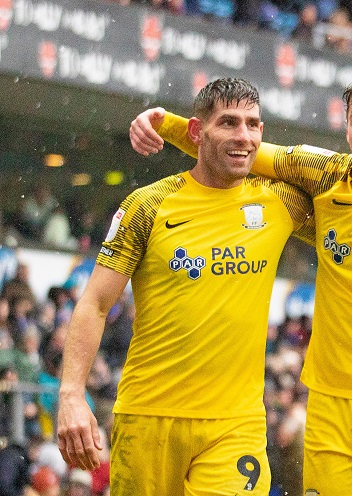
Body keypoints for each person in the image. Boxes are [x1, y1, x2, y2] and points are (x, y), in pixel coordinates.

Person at [129, 72, 352, 494]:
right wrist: (161, 123)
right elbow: (236, 151)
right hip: (331, 409)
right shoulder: (327, 174)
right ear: (347, 129)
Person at [56, 78, 317, 496]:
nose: (244, 136)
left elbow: (349, 184)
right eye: (228, 123)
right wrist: (71, 395)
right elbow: (95, 304)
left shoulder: (280, 202)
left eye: (253, 125)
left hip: (236, 425)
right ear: (197, 132)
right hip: (148, 418)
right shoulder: (148, 205)